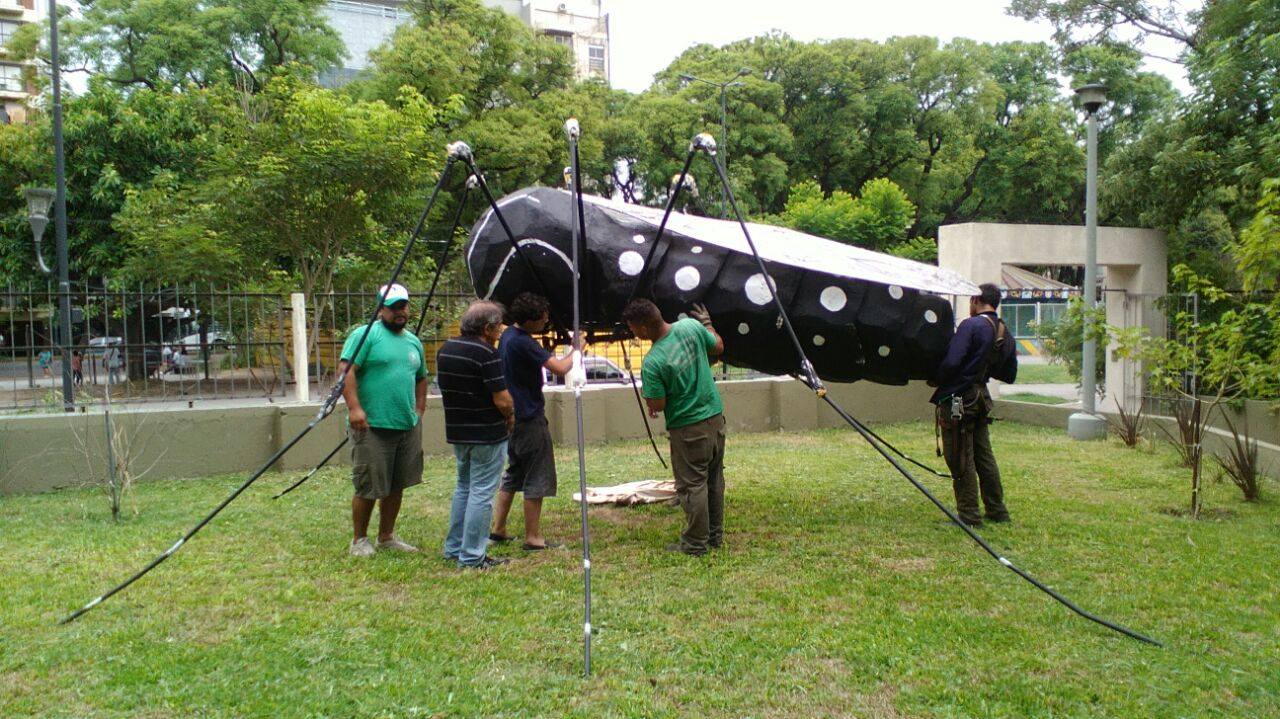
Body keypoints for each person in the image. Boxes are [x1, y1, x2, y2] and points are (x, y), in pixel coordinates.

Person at [624, 298, 727, 557]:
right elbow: (718, 346)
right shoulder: (690, 326)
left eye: (633, 329)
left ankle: (695, 544)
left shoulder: (653, 362)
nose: (632, 334)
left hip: (688, 429)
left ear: (644, 329)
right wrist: (708, 323)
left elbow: (657, 404)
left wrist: (653, 400)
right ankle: (715, 536)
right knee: (714, 481)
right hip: (715, 419)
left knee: (692, 486)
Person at [339, 283, 428, 557]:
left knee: (396, 483)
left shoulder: (413, 341)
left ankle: (386, 536)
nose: (400, 312)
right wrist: (355, 408)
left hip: (405, 424)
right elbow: (346, 371)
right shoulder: (364, 336)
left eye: (404, 306)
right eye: (393, 308)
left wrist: (420, 409)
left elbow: (422, 377)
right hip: (372, 425)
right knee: (368, 484)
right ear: (380, 309)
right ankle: (359, 539)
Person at [490, 293, 574, 551]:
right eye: (543, 318)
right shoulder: (523, 342)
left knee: (514, 472)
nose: (546, 322)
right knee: (538, 474)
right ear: (529, 321)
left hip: (513, 417)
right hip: (528, 417)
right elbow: (560, 368)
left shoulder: (507, 336)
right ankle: (533, 537)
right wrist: (577, 349)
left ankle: (499, 528)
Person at [930, 282, 1018, 527]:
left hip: (959, 399)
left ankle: (968, 516)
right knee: (983, 455)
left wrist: (937, 378)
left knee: (959, 453)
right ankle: (997, 510)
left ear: (976, 301)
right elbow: (1009, 373)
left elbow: (952, 361)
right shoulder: (1003, 330)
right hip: (981, 398)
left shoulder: (971, 326)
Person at [437, 300, 515, 569]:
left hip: (458, 431)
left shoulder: (446, 349)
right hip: (487, 434)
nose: (500, 331)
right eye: (498, 326)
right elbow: (503, 400)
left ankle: (454, 548)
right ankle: (472, 557)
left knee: (464, 487)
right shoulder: (487, 354)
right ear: (488, 328)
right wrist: (511, 417)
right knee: (482, 492)